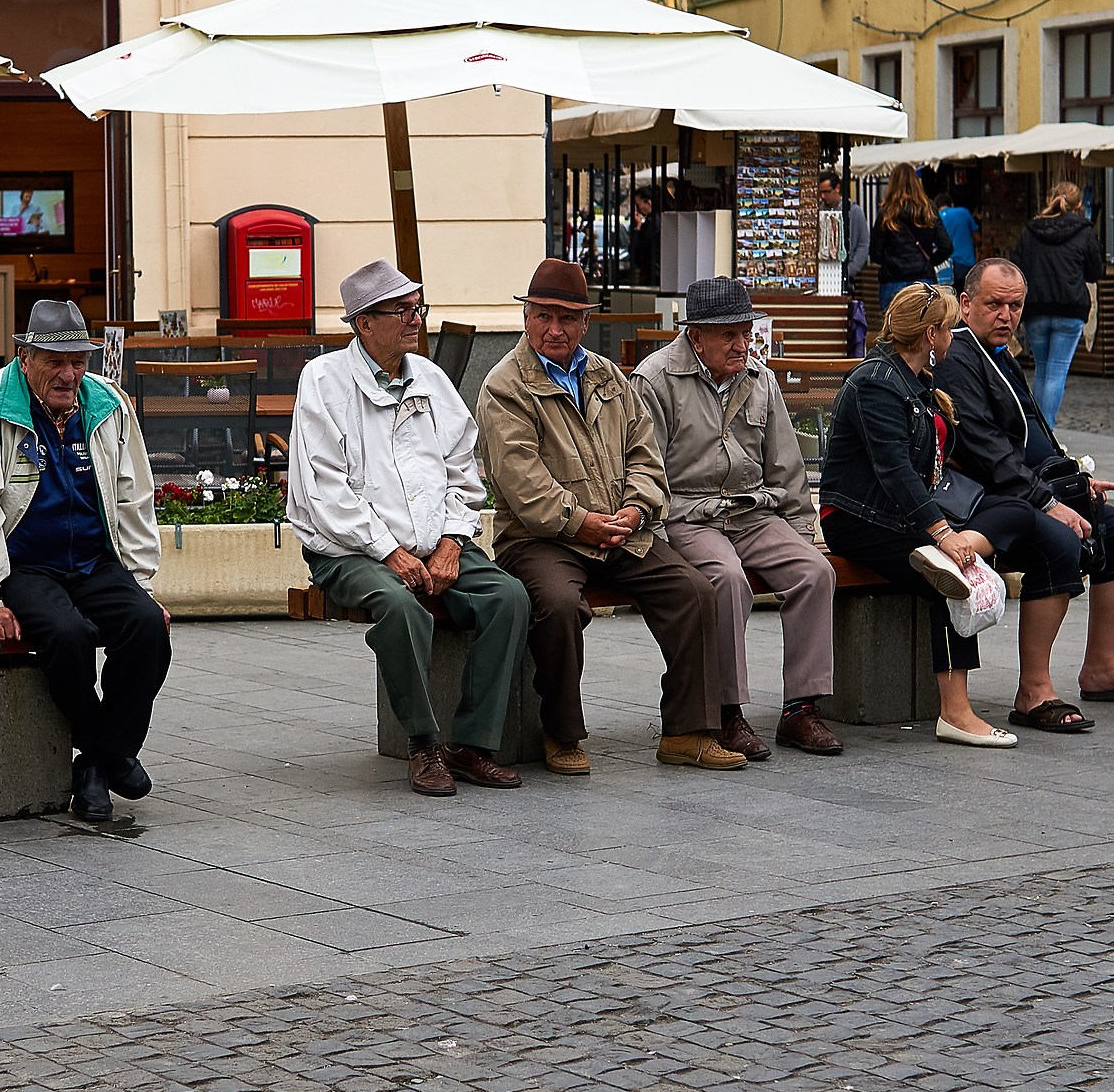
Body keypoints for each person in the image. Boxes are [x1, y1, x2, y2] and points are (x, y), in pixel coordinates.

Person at [477, 257, 744, 774]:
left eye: (568, 318)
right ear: (527, 318)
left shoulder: (606, 375)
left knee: (693, 591)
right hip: (541, 538)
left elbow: (645, 453)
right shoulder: (504, 385)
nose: (555, 329)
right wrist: (582, 521)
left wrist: (636, 507)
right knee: (557, 605)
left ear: (585, 322)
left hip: (619, 531)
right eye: (544, 316)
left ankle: (687, 732)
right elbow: (521, 480)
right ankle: (562, 733)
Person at [290, 260, 529, 797]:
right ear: (363, 322)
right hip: (347, 547)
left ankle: (473, 744)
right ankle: (424, 745)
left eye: (415, 307)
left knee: (508, 597)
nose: (413, 319)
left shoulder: (432, 379)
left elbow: (463, 473)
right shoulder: (324, 381)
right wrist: (389, 552)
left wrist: (451, 543)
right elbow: (325, 489)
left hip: (434, 541)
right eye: (400, 310)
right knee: (401, 608)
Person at [0, 298, 170, 823]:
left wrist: (141, 584)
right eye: (54, 361)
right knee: (66, 636)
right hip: (22, 563)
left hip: (95, 559)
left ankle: (94, 762)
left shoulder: (107, 404)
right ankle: (109, 752)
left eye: (78, 362)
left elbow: (134, 497)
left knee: (146, 628)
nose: (69, 374)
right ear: (25, 356)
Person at [942, 260, 1114, 734]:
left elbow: (1034, 437)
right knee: (1057, 543)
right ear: (965, 305)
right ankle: (1033, 690)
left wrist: (1074, 481)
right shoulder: (957, 355)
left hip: (1029, 488)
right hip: (989, 502)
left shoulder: (998, 352)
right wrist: (1049, 502)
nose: (1006, 315)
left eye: (1015, 305)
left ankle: (1101, 667)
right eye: (994, 304)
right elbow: (986, 450)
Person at [631, 277, 843, 758]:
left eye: (746, 332)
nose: (743, 344)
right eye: (729, 335)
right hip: (686, 513)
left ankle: (800, 711)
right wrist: (659, 536)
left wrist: (804, 532)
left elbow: (786, 466)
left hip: (750, 509)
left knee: (815, 572)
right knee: (727, 579)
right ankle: (728, 712)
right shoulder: (656, 379)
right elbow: (645, 469)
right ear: (695, 335)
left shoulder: (759, 379)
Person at [818, 283, 1029, 749]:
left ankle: (956, 708)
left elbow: (924, 464)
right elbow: (893, 470)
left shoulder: (915, 380)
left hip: (896, 516)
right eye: (950, 327)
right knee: (948, 575)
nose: (954, 335)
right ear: (931, 333)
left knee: (1002, 524)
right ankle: (955, 713)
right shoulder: (877, 381)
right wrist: (940, 532)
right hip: (855, 517)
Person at [1009, 181, 1106, 424]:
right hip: (1070, 306)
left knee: (1042, 369)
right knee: (1056, 372)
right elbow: (1095, 272)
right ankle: (1047, 430)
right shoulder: (1084, 231)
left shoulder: (1030, 230)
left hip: (1036, 306)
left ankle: (1038, 431)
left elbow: (1016, 268)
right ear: (1079, 204)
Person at [868, 164, 951, 316]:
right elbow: (946, 246)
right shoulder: (928, 209)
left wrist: (890, 261)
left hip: (892, 280)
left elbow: (875, 253)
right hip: (923, 279)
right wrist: (929, 261)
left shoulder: (886, 212)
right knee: (924, 329)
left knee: (892, 330)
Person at [819, 174, 868, 279]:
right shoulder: (817, 211)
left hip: (845, 272)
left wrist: (850, 269)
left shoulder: (854, 211)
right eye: (820, 192)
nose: (822, 196)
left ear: (837, 188)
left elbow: (863, 244)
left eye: (826, 192)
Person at [935, 186, 979, 289]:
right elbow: (978, 239)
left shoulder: (936, 217)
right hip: (966, 263)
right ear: (952, 204)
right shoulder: (964, 212)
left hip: (945, 267)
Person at [629, 186, 663, 286]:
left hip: (651, 274)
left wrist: (637, 228)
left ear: (648, 202)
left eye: (638, 205)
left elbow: (637, 250)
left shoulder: (651, 223)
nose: (637, 209)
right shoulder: (660, 220)